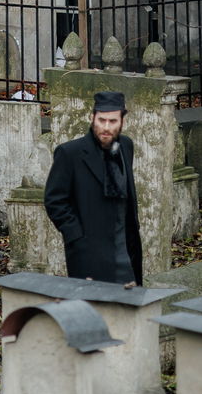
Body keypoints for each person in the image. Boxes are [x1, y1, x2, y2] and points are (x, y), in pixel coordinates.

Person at [43, 91, 143, 284]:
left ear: (122, 121)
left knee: (128, 308)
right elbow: (54, 200)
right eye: (101, 120)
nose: (106, 127)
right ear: (92, 118)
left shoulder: (126, 146)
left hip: (126, 250)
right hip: (88, 253)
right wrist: (77, 238)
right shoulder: (70, 153)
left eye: (113, 121)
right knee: (94, 309)